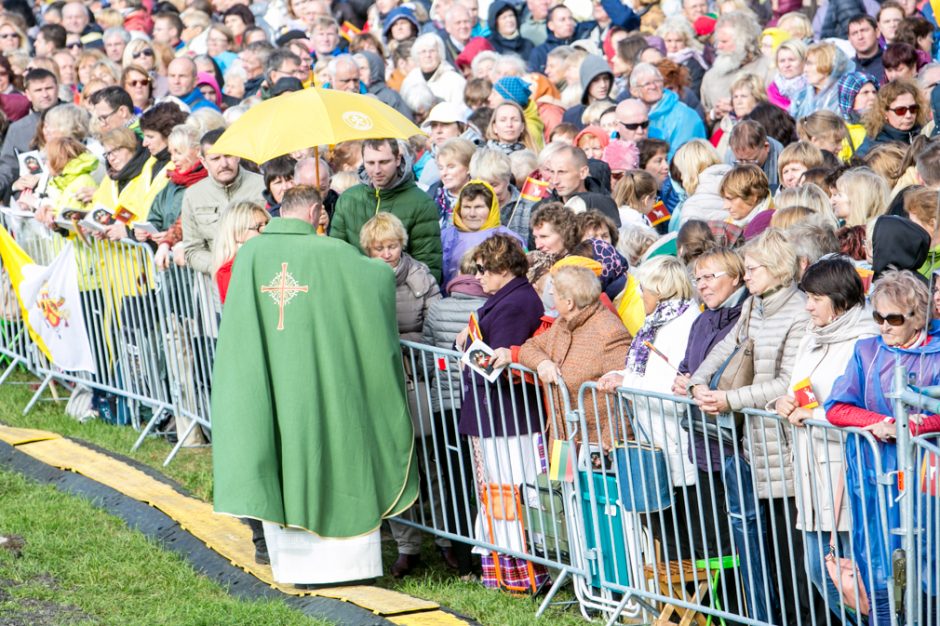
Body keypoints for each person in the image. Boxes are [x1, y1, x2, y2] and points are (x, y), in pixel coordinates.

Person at [211, 169, 419, 586]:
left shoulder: (250, 255)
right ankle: (345, 568)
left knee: (281, 456)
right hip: (324, 384)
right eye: (322, 214)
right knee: (335, 457)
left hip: (273, 382)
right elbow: (379, 277)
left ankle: (291, 563)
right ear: (313, 211)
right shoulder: (333, 253)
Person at [686, 228, 811, 625]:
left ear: (775, 269)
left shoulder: (798, 311)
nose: (746, 275)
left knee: (794, 558)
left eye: (752, 268)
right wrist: (697, 381)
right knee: (767, 552)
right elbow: (727, 347)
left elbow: (787, 382)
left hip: (786, 449)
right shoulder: (754, 305)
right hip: (752, 445)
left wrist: (727, 400)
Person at [827, 270, 940, 625]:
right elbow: (836, 407)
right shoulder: (866, 350)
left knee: (928, 557)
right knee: (878, 559)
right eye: (878, 317)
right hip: (874, 475)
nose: (884, 326)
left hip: (926, 478)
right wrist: (875, 424)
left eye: (893, 318)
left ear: (917, 316)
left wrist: (912, 426)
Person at [770, 255, 879, 620]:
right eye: (807, 296)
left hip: (845, 477)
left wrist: (814, 417)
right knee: (820, 571)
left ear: (840, 297)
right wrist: (782, 402)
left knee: (854, 579)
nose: (808, 305)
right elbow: (796, 389)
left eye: (815, 297)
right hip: (809, 474)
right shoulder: (810, 338)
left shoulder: (865, 342)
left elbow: (865, 413)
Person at [454, 234, 549, 591]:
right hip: (496, 414)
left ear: (504, 269)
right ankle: (506, 571)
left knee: (508, 493)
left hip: (506, 416)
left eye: (484, 270)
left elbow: (502, 363)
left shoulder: (515, 303)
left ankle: (522, 574)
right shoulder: (508, 298)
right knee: (499, 492)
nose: (478, 276)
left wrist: (471, 348)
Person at [598, 256, 699, 557]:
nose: (641, 295)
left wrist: (625, 385)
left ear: (661, 290)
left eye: (645, 289)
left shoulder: (682, 325)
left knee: (681, 539)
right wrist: (623, 375)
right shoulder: (656, 322)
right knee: (663, 534)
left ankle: (690, 601)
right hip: (654, 440)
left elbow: (670, 389)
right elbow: (647, 374)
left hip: (675, 444)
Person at [330, 138, 444, 282]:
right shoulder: (348, 198)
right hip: (355, 291)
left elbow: (428, 266)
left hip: (402, 295)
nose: (377, 170)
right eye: (370, 163)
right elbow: (336, 254)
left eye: (384, 162)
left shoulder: (421, 202)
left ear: (397, 159)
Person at [181, 128, 265, 275]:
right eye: (215, 159)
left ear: (238, 155)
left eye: (228, 155)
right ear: (204, 162)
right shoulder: (193, 195)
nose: (224, 163)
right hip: (218, 284)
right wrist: (222, 266)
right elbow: (192, 249)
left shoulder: (263, 186)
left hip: (262, 272)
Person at [441, 180, 525, 284]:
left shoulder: (508, 239)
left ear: (491, 209)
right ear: (458, 209)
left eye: (479, 207)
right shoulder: (444, 236)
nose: (472, 214)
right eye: (467, 207)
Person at [631, 63, 705, 161]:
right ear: (634, 91)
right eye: (647, 84)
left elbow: (682, 157)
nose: (653, 86)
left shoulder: (685, 115)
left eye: (657, 81)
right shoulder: (630, 114)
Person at [213, 201, 270, 303]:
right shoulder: (228, 272)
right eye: (258, 226)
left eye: (267, 224)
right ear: (237, 234)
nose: (266, 230)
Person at [858, 78, 926, 155]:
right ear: (884, 113)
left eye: (913, 108)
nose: (908, 115)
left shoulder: (925, 131)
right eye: (900, 110)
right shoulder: (872, 148)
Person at [719, 163, 774, 239]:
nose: (725, 206)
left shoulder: (777, 222)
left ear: (753, 196)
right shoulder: (727, 225)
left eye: (730, 199)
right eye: (724, 199)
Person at [767, 39, 807, 112]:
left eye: (791, 60)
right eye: (782, 61)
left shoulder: (813, 86)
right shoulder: (773, 90)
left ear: (803, 61)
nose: (787, 65)